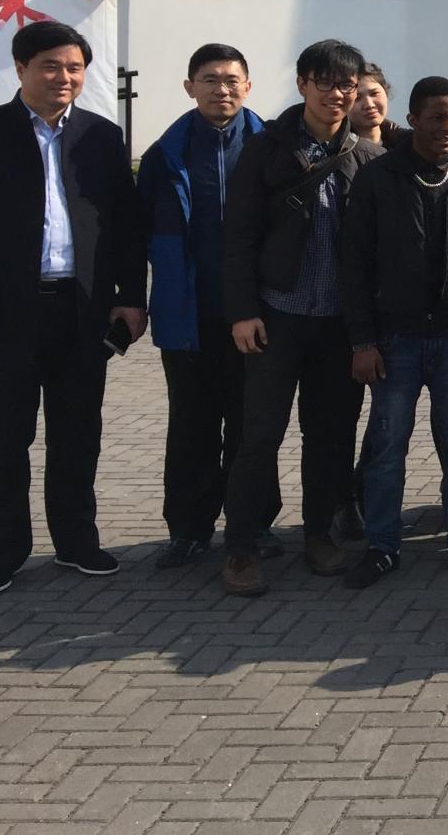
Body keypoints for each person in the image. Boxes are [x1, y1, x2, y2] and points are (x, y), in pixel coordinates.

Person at [0, 22, 146, 596]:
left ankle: (76, 541)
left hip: (81, 310)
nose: (63, 77)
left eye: (74, 67)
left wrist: (130, 297)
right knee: (3, 438)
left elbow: (125, 226)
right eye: (50, 65)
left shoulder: (101, 136)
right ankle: (5, 551)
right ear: (21, 68)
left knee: (77, 434)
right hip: (5, 317)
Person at [219, 39, 383, 598]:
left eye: (347, 85)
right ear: (302, 84)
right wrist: (243, 311)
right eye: (325, 83)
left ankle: (319, 535)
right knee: (259, 435)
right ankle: (241, 547)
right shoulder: (265, 149)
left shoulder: (368, 157)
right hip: (277, 317)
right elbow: (238, 237)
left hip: (339, 324)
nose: (337, 95)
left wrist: (369, 330)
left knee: (330, 436)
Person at [342, 77, 448, 588]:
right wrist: (362, 341)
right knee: (387, 445)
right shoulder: (377, 178)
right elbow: (355, 265)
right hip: (395, 339)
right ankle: (381, 546)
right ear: (413, 118)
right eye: (437, 117)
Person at [139, 42, 271, 569]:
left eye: (232, 80)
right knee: (191, 426)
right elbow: (137, 234)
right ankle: (188, 530)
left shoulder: (270, 148)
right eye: (211, 79)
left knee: (250, 426)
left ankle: (253, 524)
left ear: (248, 86)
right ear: (189, 87)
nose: (222, 89)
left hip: (255, 314)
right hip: (187, 313)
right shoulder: (164, 155)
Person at [348, 63, 402, 146]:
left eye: (374, 93)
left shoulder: (410, 143)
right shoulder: (335, 150)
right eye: (357, 98)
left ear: (386, 92)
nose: (369, 105)